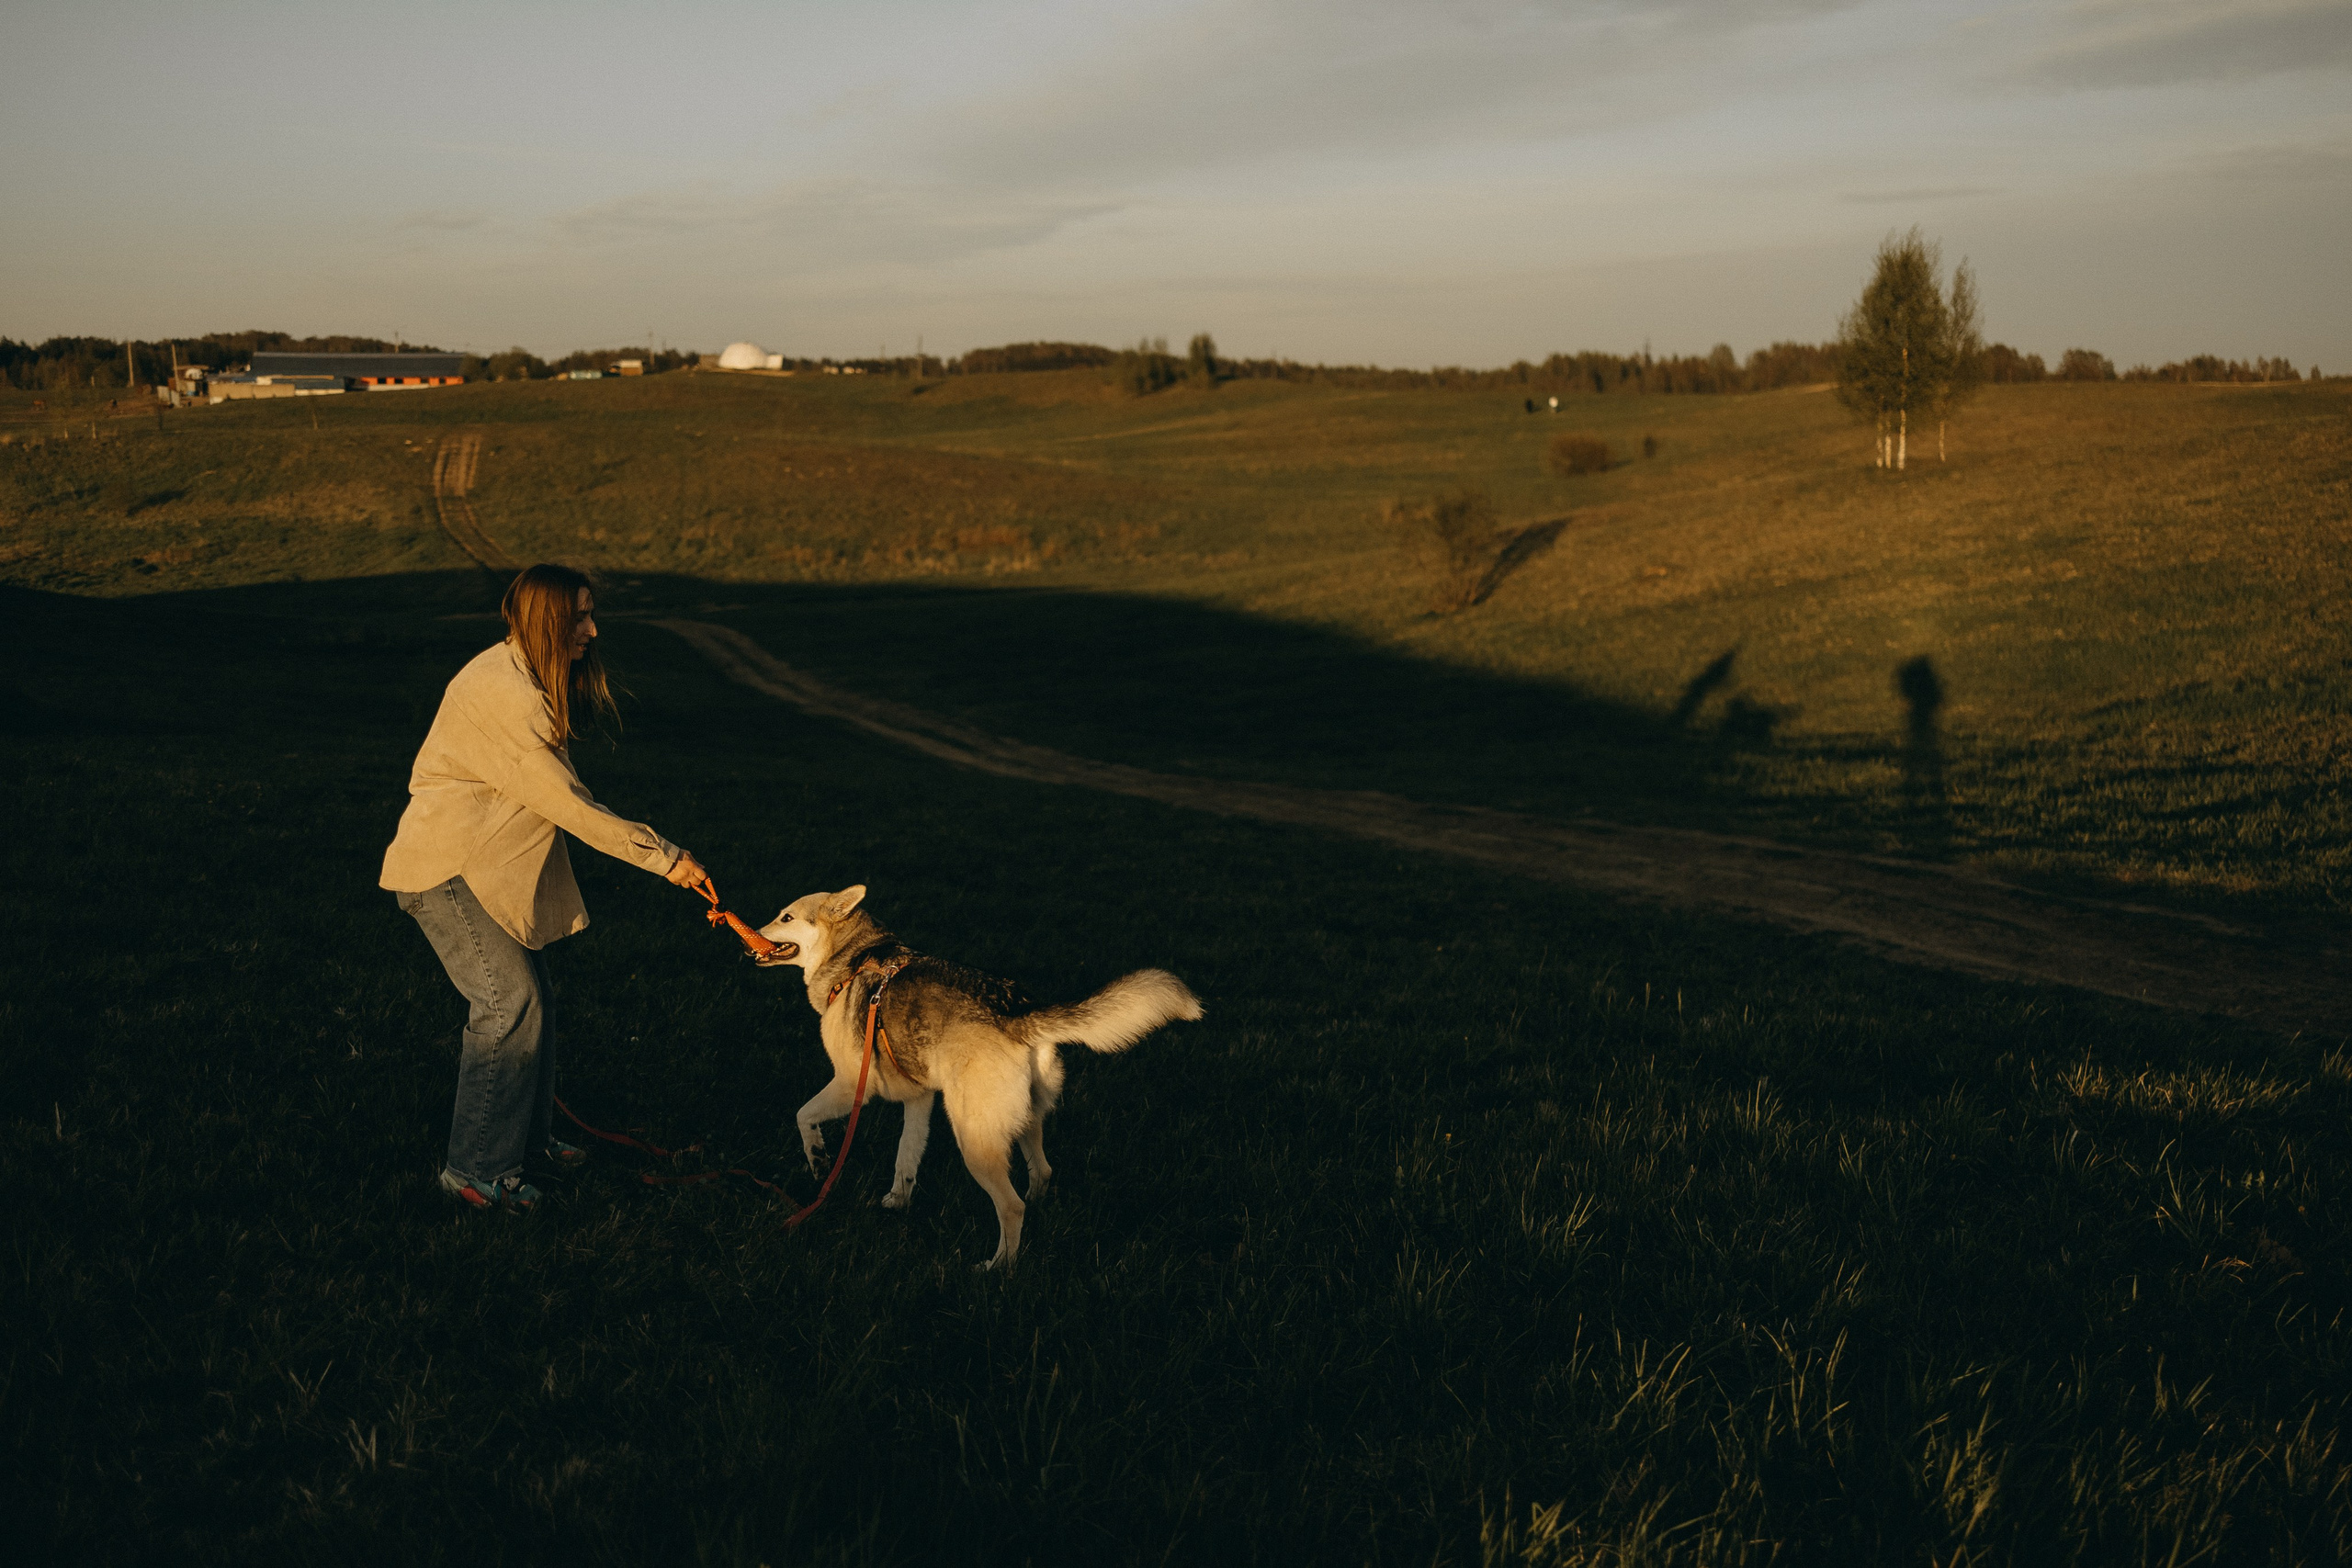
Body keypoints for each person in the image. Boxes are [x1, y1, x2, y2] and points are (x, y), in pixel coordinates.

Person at [382, 564, 713, 1211]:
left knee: (536, 1004)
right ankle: (475, 1171)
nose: (592, 629)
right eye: (579, 618)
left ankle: (526, 1144)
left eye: (592, 614)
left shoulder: (521, 676)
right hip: (444, 871)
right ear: (546, 623)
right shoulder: (507, 694)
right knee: (510, 1004)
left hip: (475, 867)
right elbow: (572, 806)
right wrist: (666, 857)